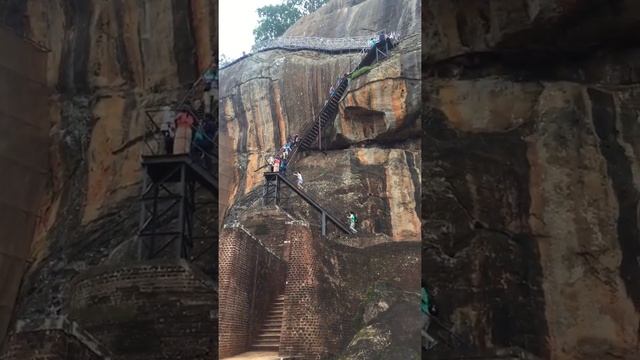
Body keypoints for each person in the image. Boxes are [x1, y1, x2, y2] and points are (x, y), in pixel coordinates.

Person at [421, 285, 438, 350]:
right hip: (427, 314)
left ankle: (433, 341)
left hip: (424, 314)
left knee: (419, 330)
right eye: (434, 290)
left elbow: (425, 301)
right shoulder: (426, 293)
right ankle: (425, 346)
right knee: (424, 330)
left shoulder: (423, 290)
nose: (435, 292)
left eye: (436, 291)